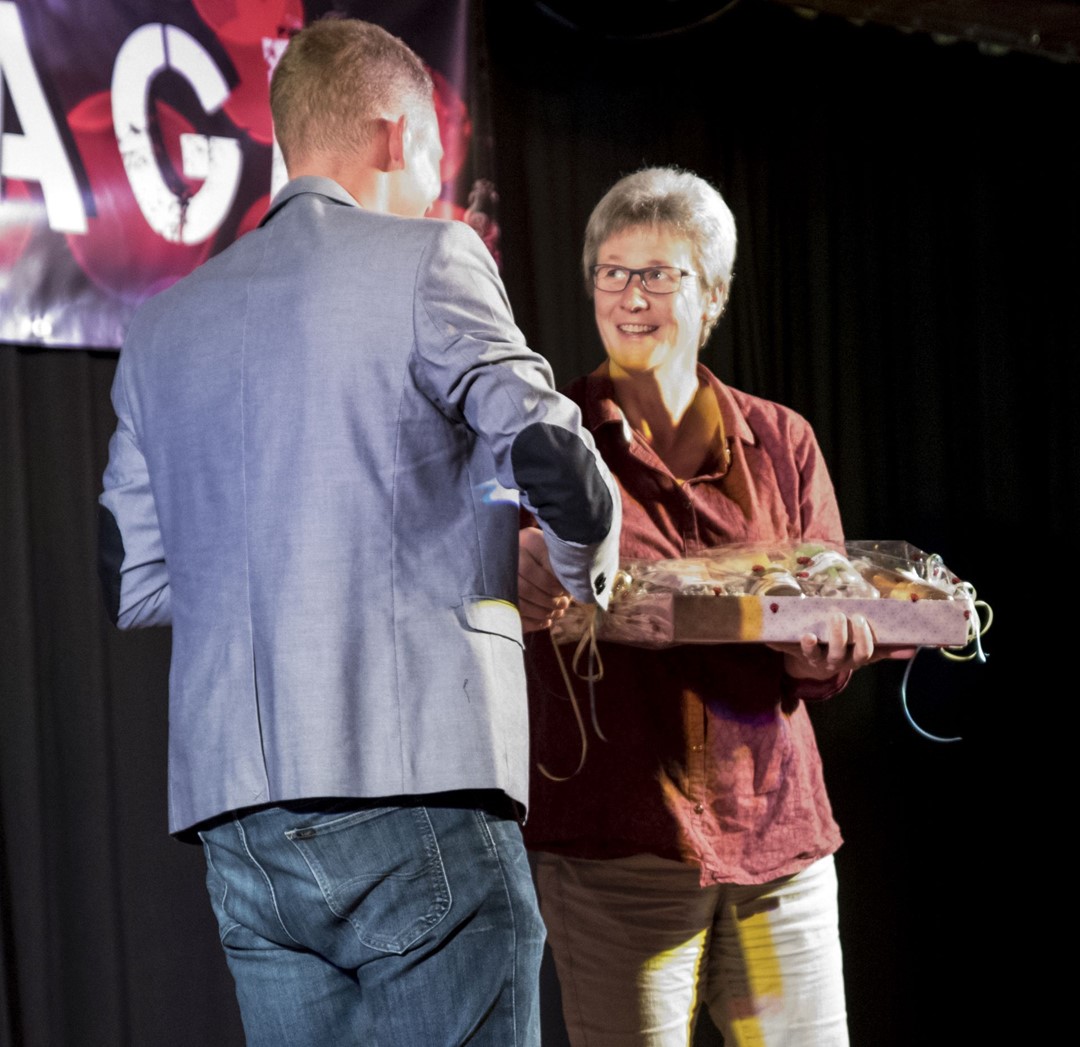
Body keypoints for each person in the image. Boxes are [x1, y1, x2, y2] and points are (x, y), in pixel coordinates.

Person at [97, 18, 620, 1047]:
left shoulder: (160, 324)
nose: (432, 187)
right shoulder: (433, 258)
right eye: (432, 158)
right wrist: (579, 573)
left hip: (240, 820)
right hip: (413, 783)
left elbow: (135, 579)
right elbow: (557, 460)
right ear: (395, 135)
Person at [517, 167, 910, 1047]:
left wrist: (824, 655)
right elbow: (499, 587)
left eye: (660, 274)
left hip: (777, 850)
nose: (631, 297)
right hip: (620, 856)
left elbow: (825, 627)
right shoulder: (549, 440)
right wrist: (516, 572)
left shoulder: (782, 441)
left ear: (716, 295)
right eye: (612, 273)